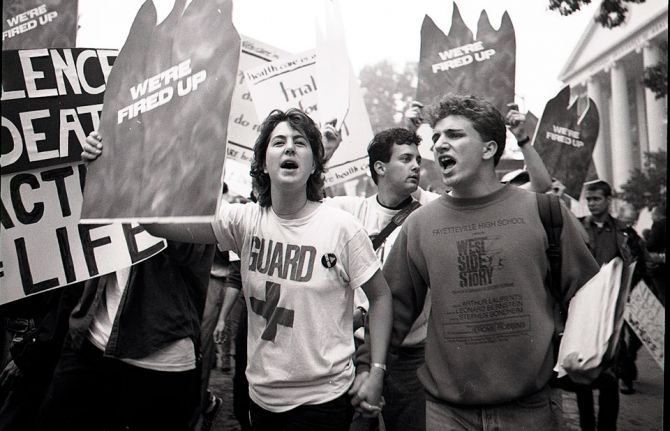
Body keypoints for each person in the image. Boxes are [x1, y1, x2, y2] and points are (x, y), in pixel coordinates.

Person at [108, 108, 393, 430]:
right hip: (260, 400)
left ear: (314, 163)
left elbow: (381, 297)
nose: (289, 148)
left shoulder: (342, 229)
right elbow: (154, 224)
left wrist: (377, 370)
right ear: (261, 164)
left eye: (300, 143)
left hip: (324, 401)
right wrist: (110, 156)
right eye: (279, 142)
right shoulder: (243, 222)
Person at [361, 94, 599, 431]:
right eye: (437, 138)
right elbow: (392, 305)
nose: (440, 144)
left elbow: (588, 296)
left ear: (488, 149)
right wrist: (368, 369)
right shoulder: (419, 224)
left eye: (455, 135)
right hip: (447, 414)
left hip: (531, 410)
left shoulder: (545, 213)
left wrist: (594, 352)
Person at [324, 127, 438, 431]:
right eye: (405, 158)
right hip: (353, 351)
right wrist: (327, 152)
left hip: (410, 355)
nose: (416, 165)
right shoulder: (351, 211)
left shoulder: (432, 210)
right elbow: (306, 196)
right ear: (380, 167)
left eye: (418, 158)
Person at [576, 180, 651, 430]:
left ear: (609, 200)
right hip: (585, 309)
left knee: (610, 371)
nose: (592, 203)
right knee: (582, 373)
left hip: (613, 311)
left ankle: (608, 427)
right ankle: (587, 425)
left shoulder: (625, 232)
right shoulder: (578, 228)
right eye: (589, 199)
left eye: (597, 199)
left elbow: (641, 265)